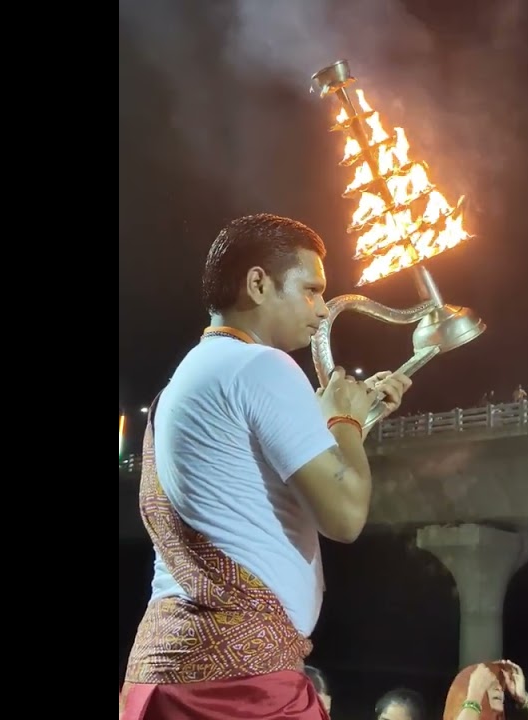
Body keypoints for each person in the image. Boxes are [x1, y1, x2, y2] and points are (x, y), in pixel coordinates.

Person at [119, 213, 413, 720]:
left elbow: (271, 483)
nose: (322, 310)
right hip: (237, 690)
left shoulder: (191, 376)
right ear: (257, 284)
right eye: (311, 290)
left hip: (171, 673)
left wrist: (352, 422)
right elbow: (344, 516)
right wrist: (342, 418)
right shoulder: (262, 365)